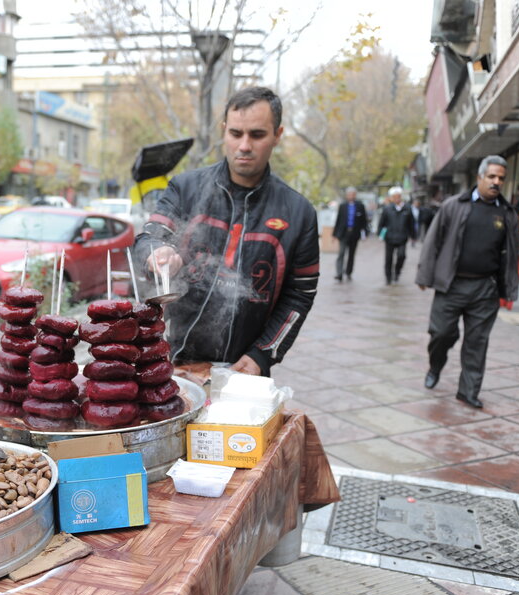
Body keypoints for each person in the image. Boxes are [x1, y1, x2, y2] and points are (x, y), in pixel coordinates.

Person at [133, 86, 320, 377]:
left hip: (246, 367)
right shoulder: (185, 188)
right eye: (235, 133)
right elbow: (148, 238)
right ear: (224, 130)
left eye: (257, 135)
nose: (244, 145)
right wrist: (157, 253)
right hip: (174, 361)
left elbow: (300, 294)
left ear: (277, 135)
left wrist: (263, 354)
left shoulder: (298, 212)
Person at [416, 155, 519, 409]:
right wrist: (424, 275)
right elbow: (433, 241)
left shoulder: (507, 213)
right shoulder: (453, 205)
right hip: (451, 285)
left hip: (485, 288)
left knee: (477, 342)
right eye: (492, 176)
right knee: (441, 333)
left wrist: (508, 287)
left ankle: (468, 391)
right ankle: (435, 366)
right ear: (480, 177)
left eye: (501, 178)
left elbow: (512, 253)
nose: (496, 182)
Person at [378, 186, 417, 284]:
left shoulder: (407, 208)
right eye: (394, 197)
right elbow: (381, 223)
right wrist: (380, 234)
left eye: (398, 196)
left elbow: (411, 223)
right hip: (390, 237)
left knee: (401, 255)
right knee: (389, 259)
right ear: (391, 198)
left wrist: (413, 236)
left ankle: (397, 272)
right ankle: (388, 277)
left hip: (402, 237)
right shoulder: (387, 209)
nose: (397, 199)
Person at [332, 186, 369, 281]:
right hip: (343, 233)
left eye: (353, 194)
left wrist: (365, 233)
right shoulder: (343, 206)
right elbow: (338, 220)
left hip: (354, 233)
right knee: (341, 253)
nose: (351, 196)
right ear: (346, 195)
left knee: (351, 254)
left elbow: (364, 221)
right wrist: (335, 234)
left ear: (355, 195)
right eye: (349, 194)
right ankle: (339, 273)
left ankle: (348, 272)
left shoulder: (360, 206)